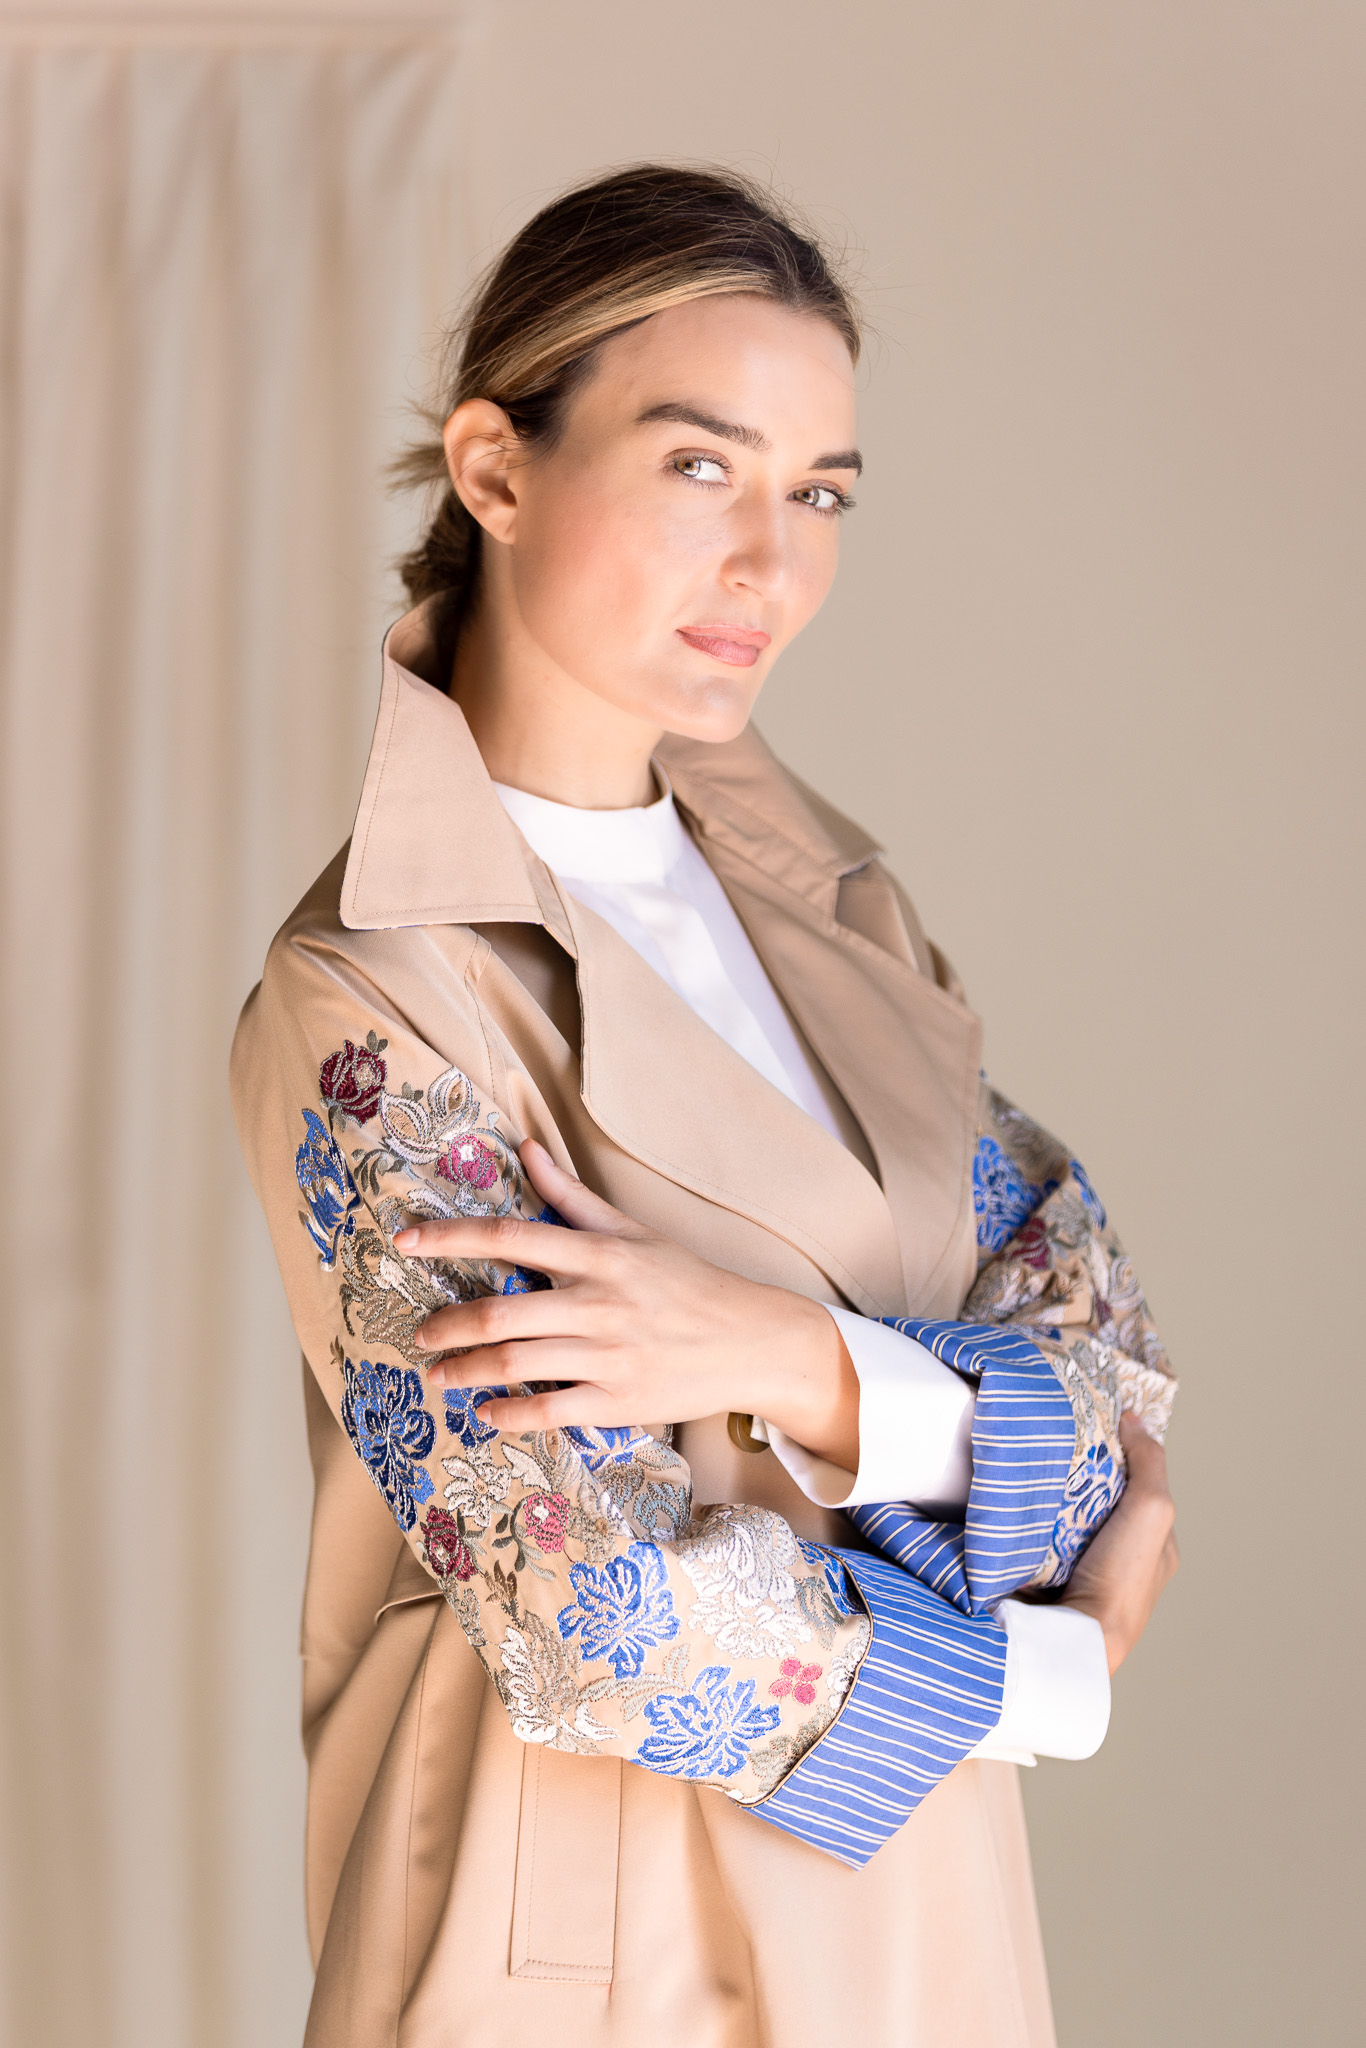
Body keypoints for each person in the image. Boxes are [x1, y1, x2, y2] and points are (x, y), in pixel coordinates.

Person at [232, 165, 1178, 2047]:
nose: (771, 564)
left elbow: (1112, 1380)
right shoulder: (378, 992)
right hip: (583, 1935)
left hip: (926, 1910)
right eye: (697, 467)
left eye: (817, 493)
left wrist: (785, 1358)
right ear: (494, 471)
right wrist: (1050, 1676)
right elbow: (595, 1613)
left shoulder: (842, 912)